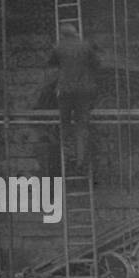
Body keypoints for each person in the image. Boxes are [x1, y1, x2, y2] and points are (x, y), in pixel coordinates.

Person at [49, 23, 101, 169]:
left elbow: (51, 63)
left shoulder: (58, 47)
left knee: (64, 123)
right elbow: (97, 64)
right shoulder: (86, 46)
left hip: (65, 90)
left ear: (63, 34)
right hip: (84, 91)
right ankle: (80, 160)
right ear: (76, 33)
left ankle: (66, 156)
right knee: (82, 125)